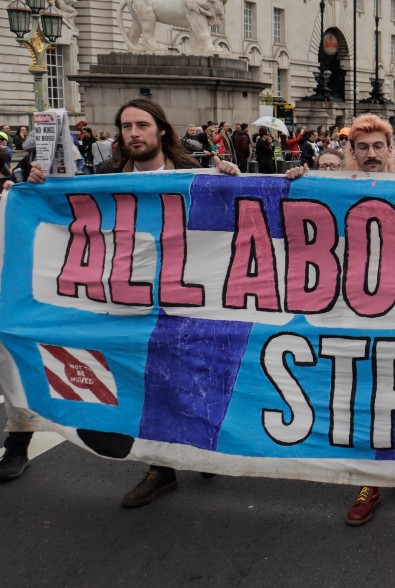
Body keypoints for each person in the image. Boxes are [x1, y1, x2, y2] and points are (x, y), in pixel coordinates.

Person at [19, 98, 238, 504]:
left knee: (190, 376)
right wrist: (38, 184)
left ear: (161, 132)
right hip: (129, 300)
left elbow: (237, 215)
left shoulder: (196, 173)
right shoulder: (105, 177)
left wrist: (232, 176)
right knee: (145, 380)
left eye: (141, 125)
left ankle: (199, 448)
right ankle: (161, 467)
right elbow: (65, 212)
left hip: (187, 298)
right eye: (126, 127)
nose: (133, 133)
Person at [287, 114, 395, 526]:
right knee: (360, 394)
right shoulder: (331, 187)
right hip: (346, 311)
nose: (371, 154)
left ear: (390, 149)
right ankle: (368, 481)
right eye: (363, 148)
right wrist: (300, 181)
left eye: (379, 146)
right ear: (351, 152)